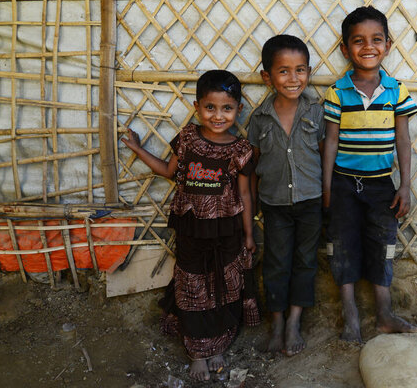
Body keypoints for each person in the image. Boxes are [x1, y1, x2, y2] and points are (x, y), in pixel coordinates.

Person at [122, 70, 259, 381]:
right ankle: (197, 351)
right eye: (210, 107)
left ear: (238, 108)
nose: (218, 115)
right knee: (193, 288)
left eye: (227, 108)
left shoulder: (240, 150)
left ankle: (219, 346)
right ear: (197, 107)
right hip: (191, 230)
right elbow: (169, 172)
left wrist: (249, 235)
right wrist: (137, 149)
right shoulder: (187, 139)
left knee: (224, 288)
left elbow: (246, 194)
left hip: (227, 231)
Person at [322, 6, 417, 343]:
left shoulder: (397, 91)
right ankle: (349, 313)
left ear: (388, 45)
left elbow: (404, 139)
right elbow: (331, 142)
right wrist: (327, 189)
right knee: (342, 245)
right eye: (358, 40)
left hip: (382, 185)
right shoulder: (338, 92)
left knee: (383, 245)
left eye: (376, 39)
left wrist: (405, 185)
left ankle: (384, 313)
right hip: (343, 184)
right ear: (344, 49)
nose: (368, 47)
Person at [247, 35, 325, 356]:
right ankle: (277, 321)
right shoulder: (259, 119)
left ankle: (295, 321)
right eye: (284, 71)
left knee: (305, 261)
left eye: (300, 70)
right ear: (267, 76)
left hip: (311, 202)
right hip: (274, 204)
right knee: (276, 262)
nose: (293, 79)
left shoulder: (317, 113)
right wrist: (251, 209)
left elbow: (324, 155)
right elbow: (252, 165)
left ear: (309, 72)